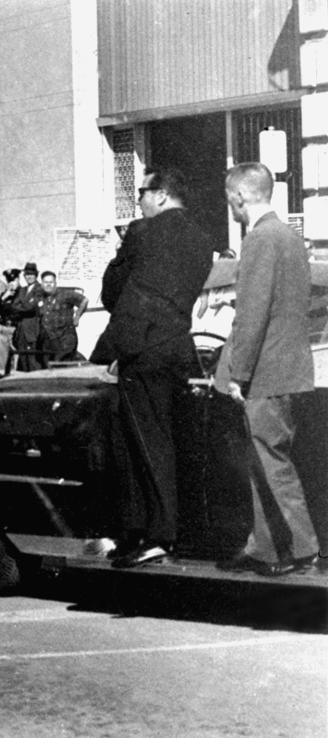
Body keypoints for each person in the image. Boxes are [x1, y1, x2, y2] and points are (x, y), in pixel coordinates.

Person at [104, 166, 217, 569]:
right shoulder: (204, 240)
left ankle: (154, 534)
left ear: (162, 195)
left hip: (141, 348)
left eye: (142, 193)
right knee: (170, 439)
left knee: (142, 442)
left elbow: (110, 288)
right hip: (177, 347)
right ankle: (162, 529)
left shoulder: (140, 233)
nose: (140, 201)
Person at [216, 162, 320, 576]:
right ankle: (267, 548)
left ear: (239, 196)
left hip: (265, 373)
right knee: (264, 460)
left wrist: (237, 374)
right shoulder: (291, 238)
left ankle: (300, 547)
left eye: (230, 202)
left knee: (271, 462)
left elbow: (252, 314)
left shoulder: (259, 240)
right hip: (290, 368)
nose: (232, 210)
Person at [37, 271, 88, 363]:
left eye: (51, 282)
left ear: (55, 283)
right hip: (49, 340)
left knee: (62, 365)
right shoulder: (41, 297)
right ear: (42, 284)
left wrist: (77, 317)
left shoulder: (65, 294)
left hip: (65, 338)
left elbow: (84, 300)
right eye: (45, 282)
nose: (48, 285)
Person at [10, 262, 44, 370]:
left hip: (32, 331)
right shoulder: (22, 290)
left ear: (36, 275)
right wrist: (24, 304)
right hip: (21, 332)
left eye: (31, 274)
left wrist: (21, 304)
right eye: (27, 274)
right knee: (23, 361)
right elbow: (14, 306)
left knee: (33, 361)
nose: (29, 277)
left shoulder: (40, 289)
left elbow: (30, 307)